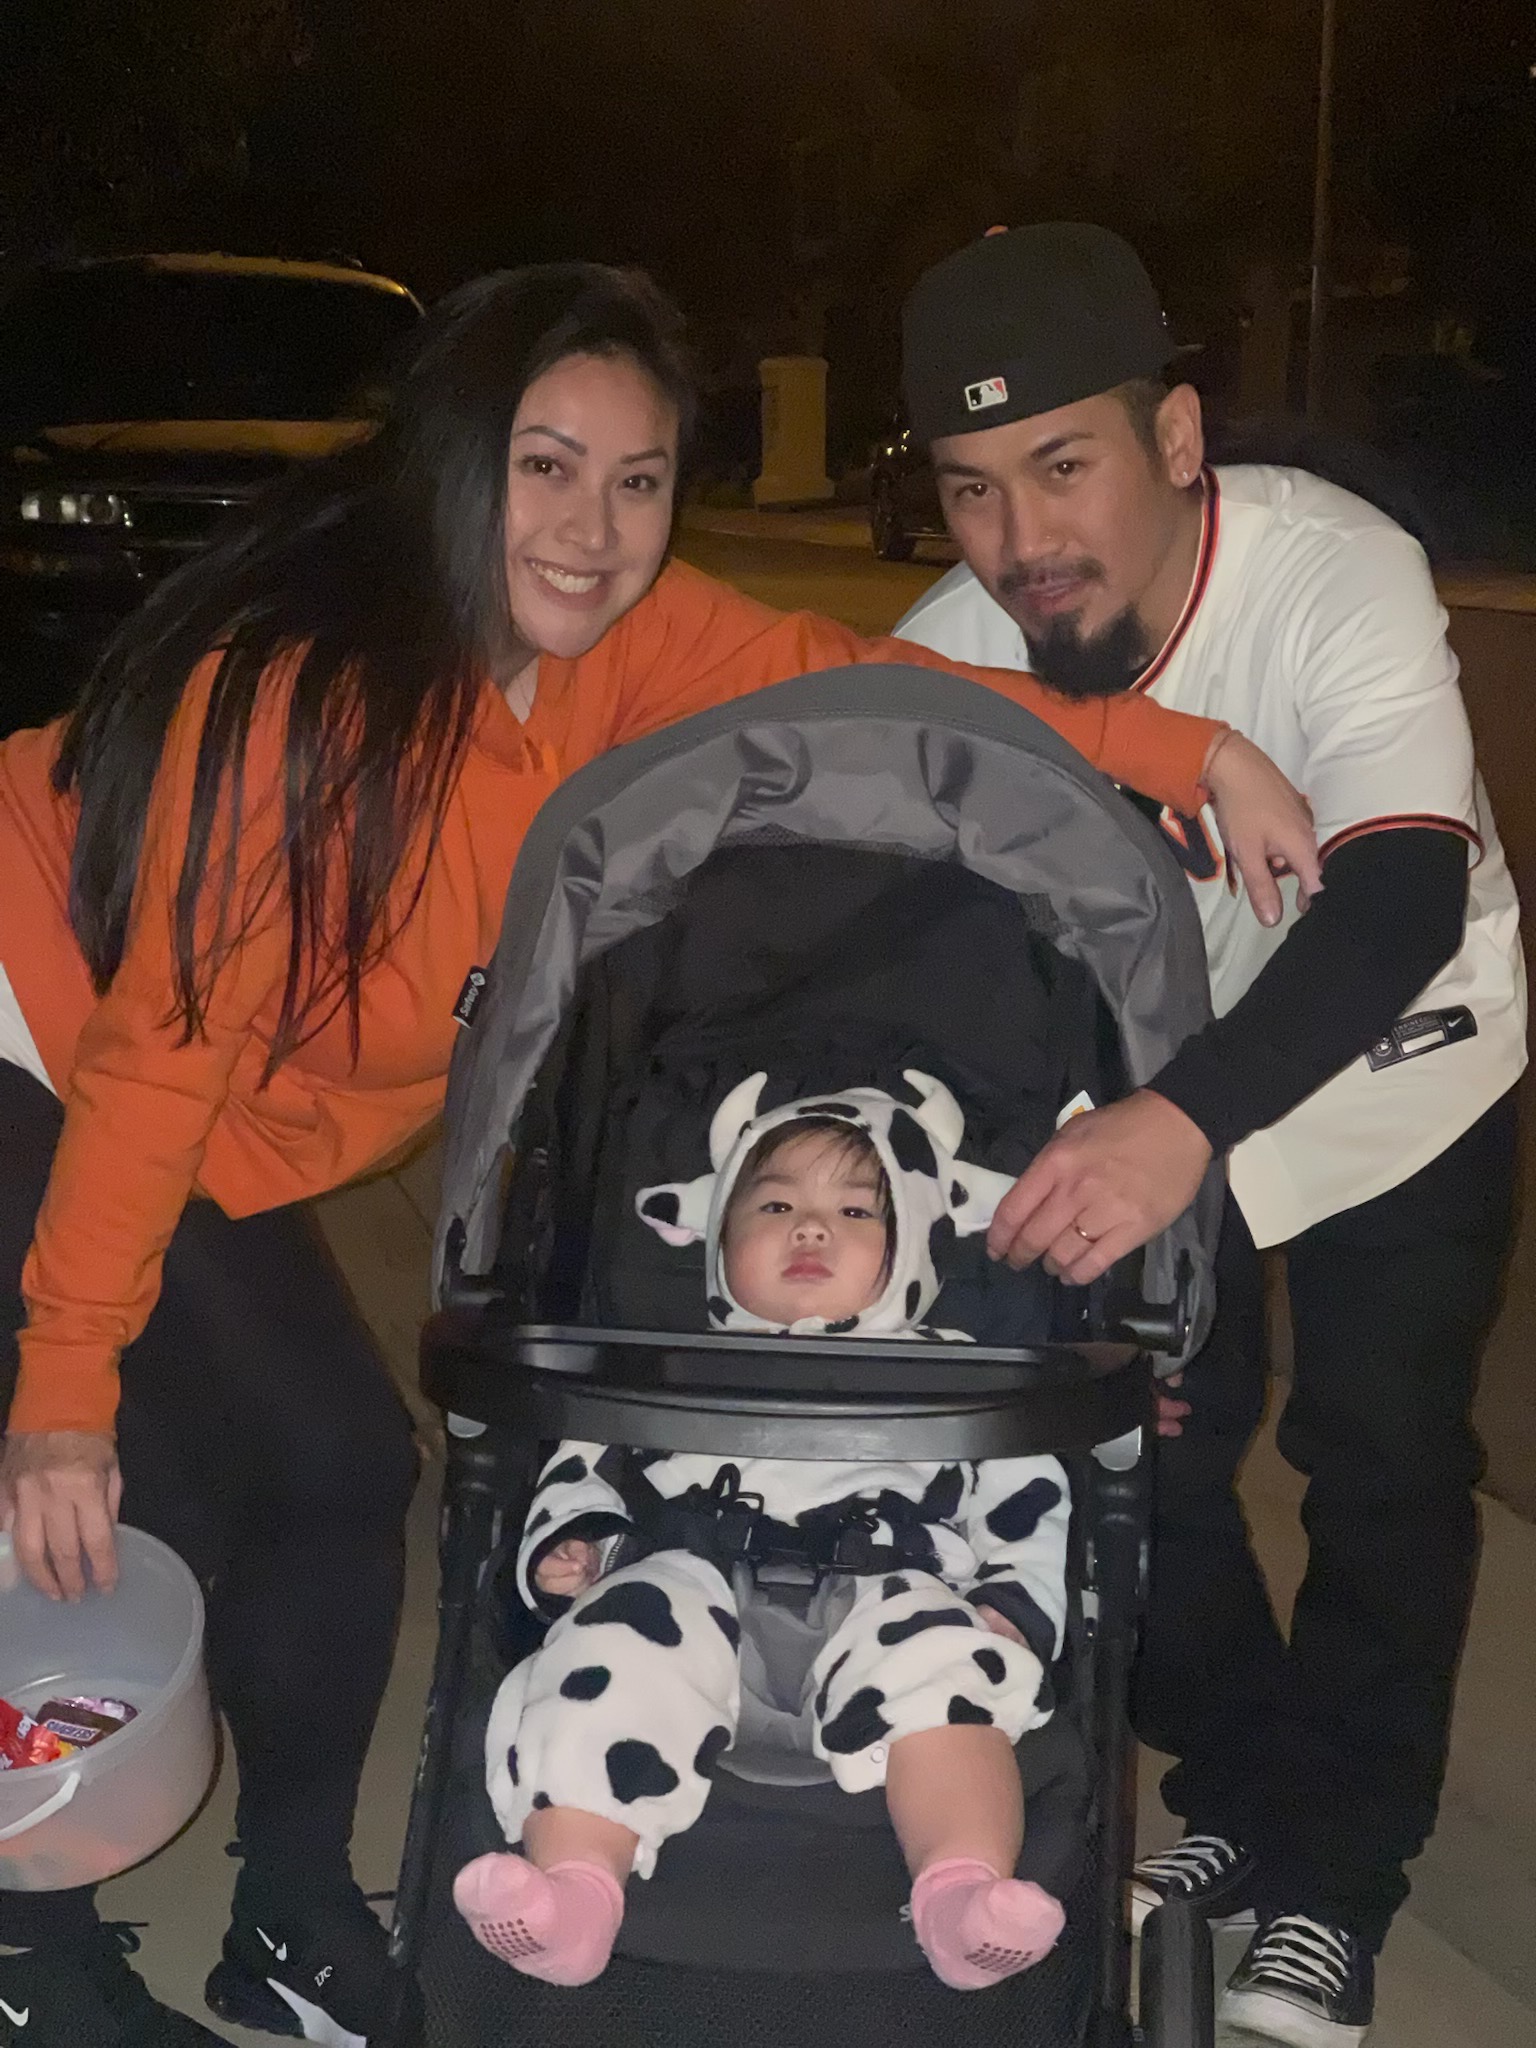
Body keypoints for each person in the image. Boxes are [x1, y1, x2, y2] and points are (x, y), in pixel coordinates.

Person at [0, 260, 1316, 2048]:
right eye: (544, 467)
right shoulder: (306, 699)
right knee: (120, 1485)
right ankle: (34, 1951)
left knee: (330, 1463)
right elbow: (156, 1057)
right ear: (458, 456)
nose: (592, 529)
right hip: (33, 1026)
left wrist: (1187, 750)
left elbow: (888, 694)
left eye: (637, 481)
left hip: (193, 1107)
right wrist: (63, 1382)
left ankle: (288, 1918)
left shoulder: (621, 642)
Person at [892, 222, 1525, 2048]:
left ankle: (1341, 1877)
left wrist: (1182, 1122)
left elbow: (1399, 896)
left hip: (1401, 1066)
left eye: (1061, 466)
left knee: (1380, 1459)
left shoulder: (1331, 567)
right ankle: (1250, 1790)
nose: (1020, 539)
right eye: (971, 489)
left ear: (1173, 439)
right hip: (1163, 1095)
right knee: (1144, 1465)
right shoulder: (957, 648)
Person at [455, 1076, 1073, 1992]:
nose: (811, 1229)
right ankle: (574, 1892)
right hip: (688, 1599)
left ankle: (961, 1893)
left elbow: (1028, 1499)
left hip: (886, 1600)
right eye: (776, 1204)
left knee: (948, 1668)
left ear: (914, 1237)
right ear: (716, 1232)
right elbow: (582, 1463)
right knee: (609, 1647)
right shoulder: (659, 1364)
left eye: (855, 1211)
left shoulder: (963, 1374)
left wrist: (1012, 1603)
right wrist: (576, 1545)